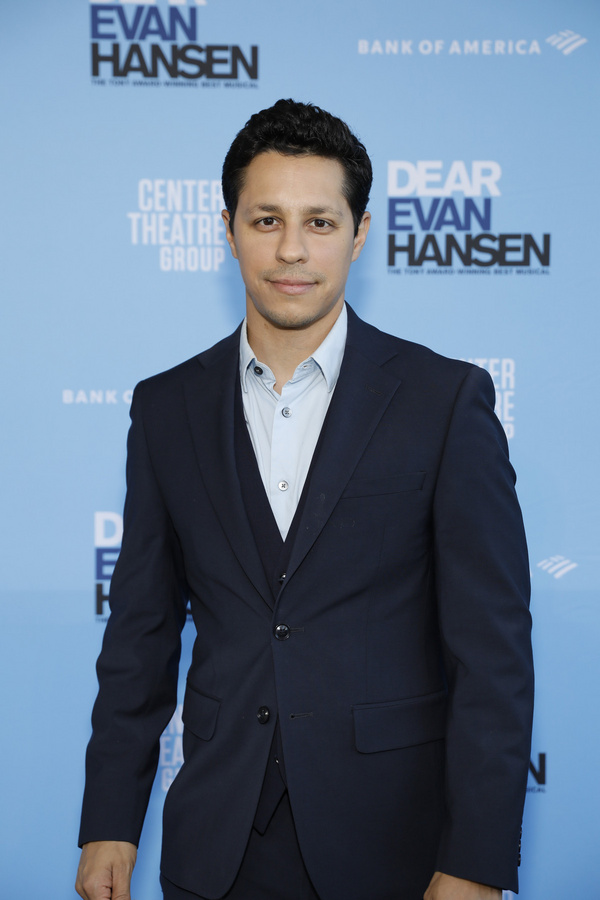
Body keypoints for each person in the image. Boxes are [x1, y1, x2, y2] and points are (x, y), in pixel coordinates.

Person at [76, 99, 533, 900]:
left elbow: (491, 656)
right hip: (215, 846)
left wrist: (475, 862)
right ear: (227, 230)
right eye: (266, 220)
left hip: (394, 845)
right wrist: (110, 820)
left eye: (320, 223)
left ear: (360, 235)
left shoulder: (443, 400)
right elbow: (140, 633)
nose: (292, 250)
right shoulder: (166, 407)